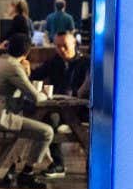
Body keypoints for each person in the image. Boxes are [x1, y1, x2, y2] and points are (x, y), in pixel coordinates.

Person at [0, 33, 54, 189]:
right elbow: (35, 97)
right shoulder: (13, 67)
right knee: (46, 132)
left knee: (26, 128)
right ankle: (27, 174)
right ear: (27, 52)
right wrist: (45, 95)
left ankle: (9, 170)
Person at [30, 31, 89, 178]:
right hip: (58, 107)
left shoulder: (85, 63)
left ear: (74, 44)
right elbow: (34, 75)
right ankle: (58, 163)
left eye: (65, 46)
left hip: (80, 109)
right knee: (48, 120)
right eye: (58, 46)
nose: (61, 49)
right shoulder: (55, 61)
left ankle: (92, 163)